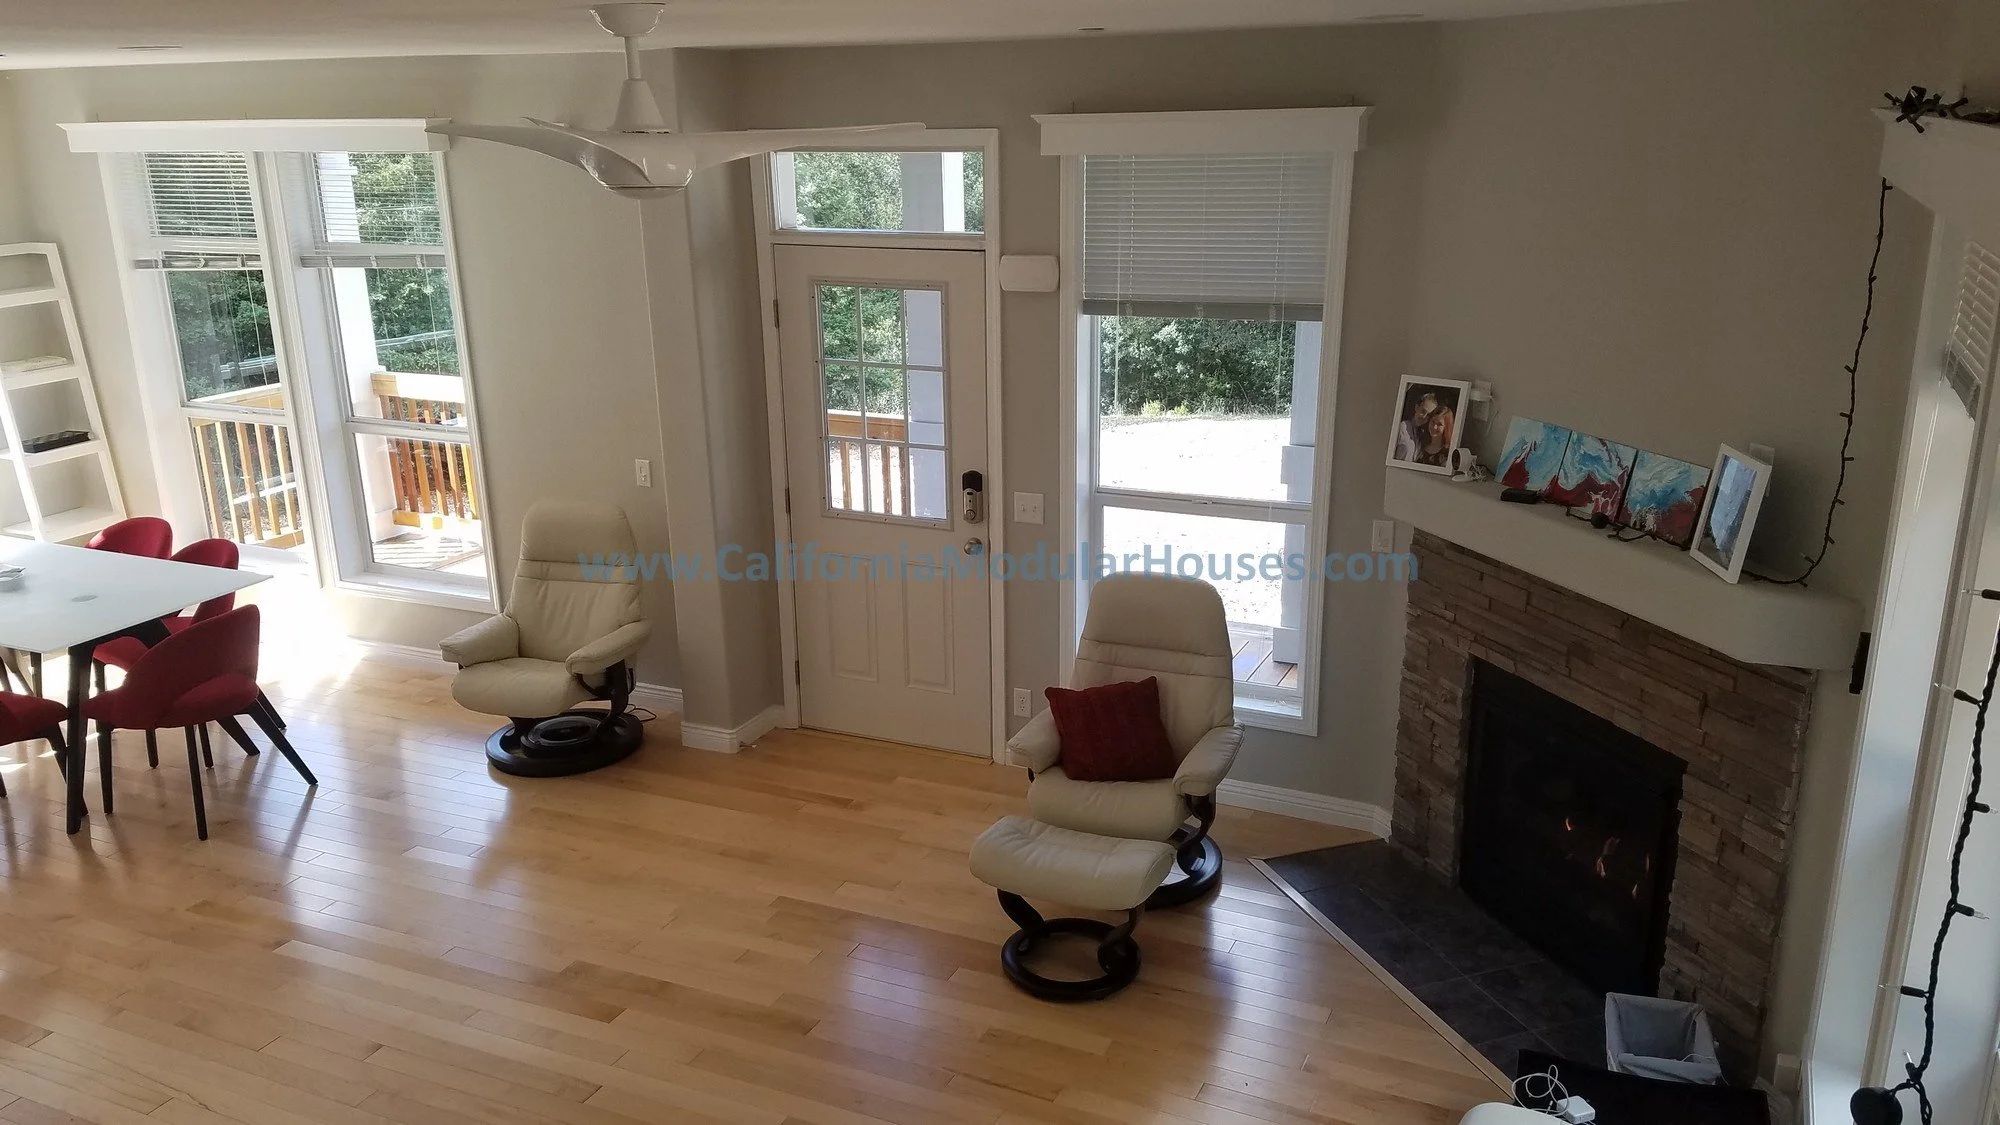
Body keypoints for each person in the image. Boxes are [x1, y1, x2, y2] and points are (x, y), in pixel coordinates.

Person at [1394, 392, 1439, 463]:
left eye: (1428, 415)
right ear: (1416, 407)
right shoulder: (1401, 427)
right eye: (1423, 411)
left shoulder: (1421, 436)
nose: (1424, 416)